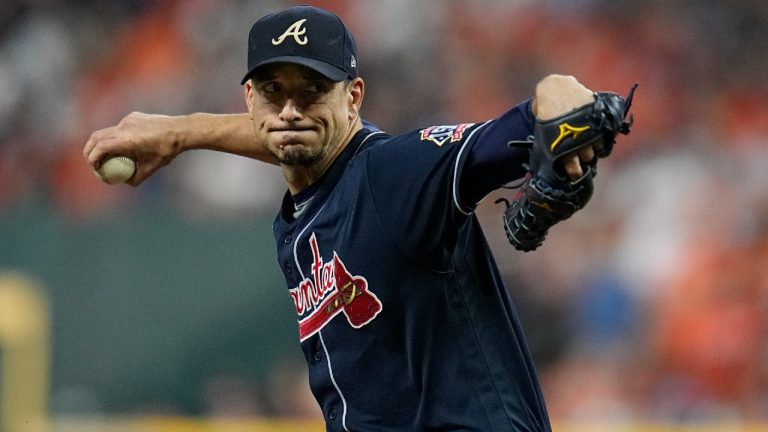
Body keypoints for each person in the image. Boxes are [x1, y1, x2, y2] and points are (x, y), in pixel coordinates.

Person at [84, 5, 617, 431]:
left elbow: (558, 99)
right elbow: (292, 135)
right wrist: (180, 132)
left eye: (313, 90)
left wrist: (566, 116)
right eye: (274, 91)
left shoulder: (395, 174)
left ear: (354, 97)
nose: (291, 109)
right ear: (250, 98)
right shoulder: (309, 200)